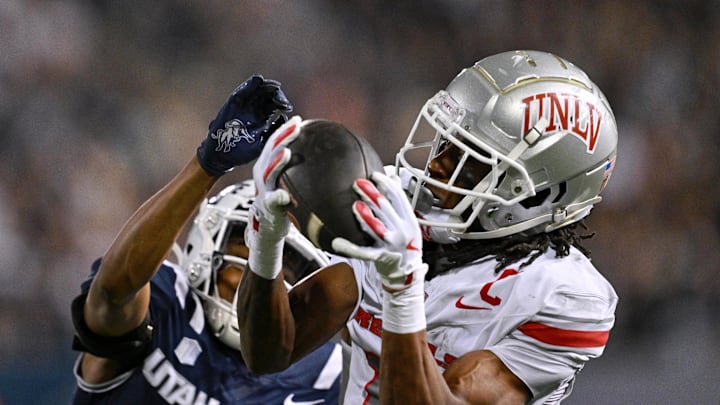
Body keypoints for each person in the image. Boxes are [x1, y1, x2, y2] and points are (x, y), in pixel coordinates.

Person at [236, 50, 619, 404]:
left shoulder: (561, 297)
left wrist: (401, 291)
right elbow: (269, 353)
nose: (436, 166)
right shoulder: (403, 212)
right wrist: (266, 238)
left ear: (538, 196)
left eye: (471, 162)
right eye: (445, 143)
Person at [70, 76, 342, 404]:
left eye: (289, 272)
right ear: (211, 241)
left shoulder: (325, 374)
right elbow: (112, 293)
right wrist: (206, 167)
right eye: (248, 249)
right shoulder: (165, 302)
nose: (263, 280)